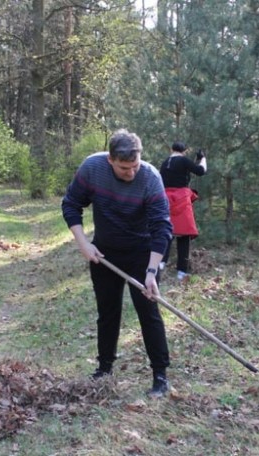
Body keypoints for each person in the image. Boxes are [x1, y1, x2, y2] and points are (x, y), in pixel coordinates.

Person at [61, 129, 173, 398]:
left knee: (149, 313)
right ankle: (104, 369)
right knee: (108, 312)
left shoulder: (150, 177)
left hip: (141, 253)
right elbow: (71, 204)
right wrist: (83, 243)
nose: (131, 173)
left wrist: (151, 271)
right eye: (124, 168)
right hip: (105, 253)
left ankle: (160, 375)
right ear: (111, 160)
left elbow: (162, 227)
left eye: (135, 166)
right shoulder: (92, 168)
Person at [159, 141, 207, 283]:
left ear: (171, 149)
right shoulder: (184, 160)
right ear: (185, 151)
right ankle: (181, 272)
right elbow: (200, 171)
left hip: (166, 200)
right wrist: (202, 158)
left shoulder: (165, 163)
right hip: (182, 200)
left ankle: (160, 265)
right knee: (184, 236)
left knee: (167, 233)